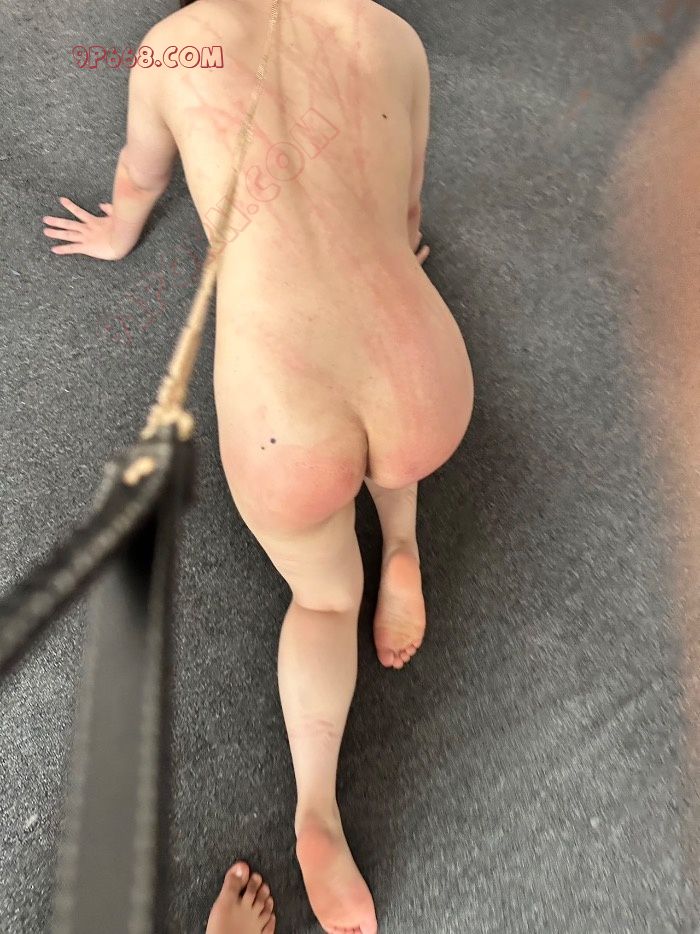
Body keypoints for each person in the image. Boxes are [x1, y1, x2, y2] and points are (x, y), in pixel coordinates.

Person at [42, 1, 474, 930]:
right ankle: (403, 540)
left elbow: (138, 176)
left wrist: (118, 230)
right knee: (393, 421)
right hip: (424, 371)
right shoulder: (393, 37)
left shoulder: (173, 50)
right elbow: (404, 210)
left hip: (287, 425)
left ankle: (318, 807)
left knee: (324, 597)